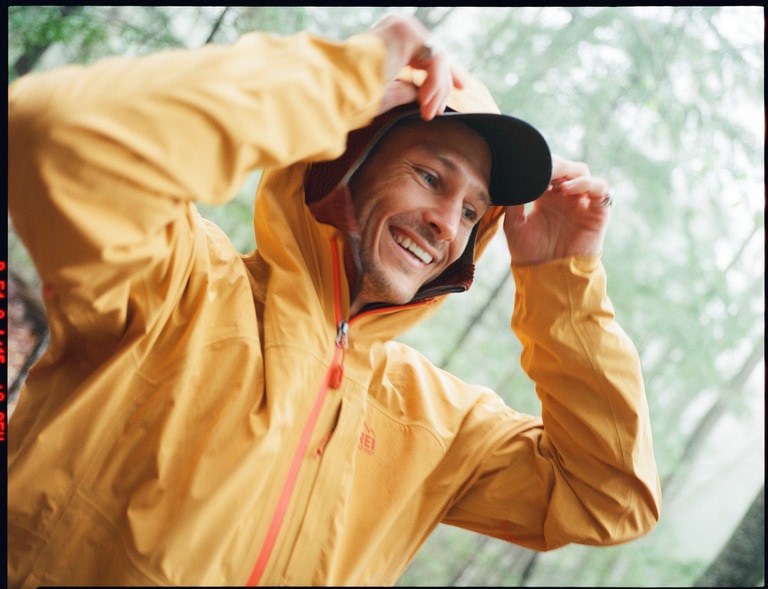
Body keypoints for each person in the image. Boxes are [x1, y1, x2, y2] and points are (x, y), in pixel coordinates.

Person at [7, 13, 661, 587]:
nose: (445, 224)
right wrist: (338, 84)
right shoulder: (180, 285)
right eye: (430, 177)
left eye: (471, 212)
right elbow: (59, 134)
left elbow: (610, 497)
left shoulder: (440, 424)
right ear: (341, 169)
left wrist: (560, 281)